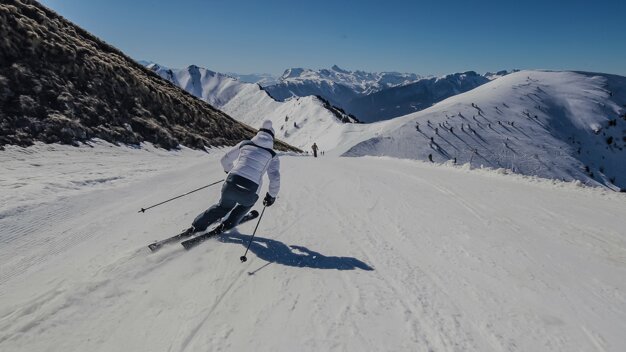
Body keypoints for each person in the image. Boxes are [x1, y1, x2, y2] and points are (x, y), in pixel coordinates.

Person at [188, 120, 280, 234]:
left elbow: (225, 160)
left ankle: (197, 226)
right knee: (246, 204)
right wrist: (271, 196)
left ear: (258, 133)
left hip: (231, 183)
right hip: (250, 191)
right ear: (272, 138)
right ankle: (228, 224)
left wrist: (229, 171)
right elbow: (275, 178)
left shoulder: (245, 144)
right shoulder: (273, 155)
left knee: (222, 207)